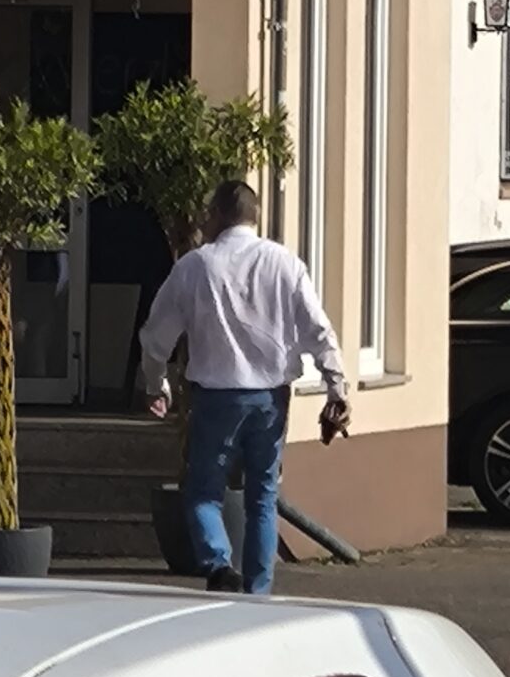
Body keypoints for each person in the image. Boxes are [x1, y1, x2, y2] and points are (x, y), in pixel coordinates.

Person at [138, 178, 351, 596]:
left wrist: (155, 383)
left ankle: (219, 564)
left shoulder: (196, 266)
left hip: (215, 396)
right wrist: (336, 388)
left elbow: (157, 334)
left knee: (203, 492)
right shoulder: (286, 264)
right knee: (262, 497)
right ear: (255, 216)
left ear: (217, 215)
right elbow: (318, 330)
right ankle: (258, 592)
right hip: (271, 398)